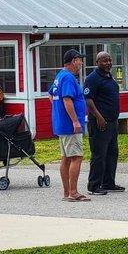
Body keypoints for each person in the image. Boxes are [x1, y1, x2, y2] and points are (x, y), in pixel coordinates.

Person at [48, 49, 90, 202]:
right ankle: (73, 192)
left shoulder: (60, 76)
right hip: (70, 125)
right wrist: (75, 120)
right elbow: (67, 99)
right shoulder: (68, 78)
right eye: (80, 60)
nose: (81, 63)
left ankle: (67, 192)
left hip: (61, 123)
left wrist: (57, 110)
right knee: (76, 157)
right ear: (74, 61)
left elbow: (51, 94)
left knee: (66, 158)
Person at [84, 52, 124, 195]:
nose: (108, 63)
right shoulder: (92, 78)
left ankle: (108, 182)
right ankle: (94, 186)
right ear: (97, 62)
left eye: (109, 60)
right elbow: (89, 100)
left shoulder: (109, 77)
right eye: (104, 61)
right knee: (99, 154)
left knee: (112, 153)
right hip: (100, 122)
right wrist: (99, 117)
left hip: (112, 122)